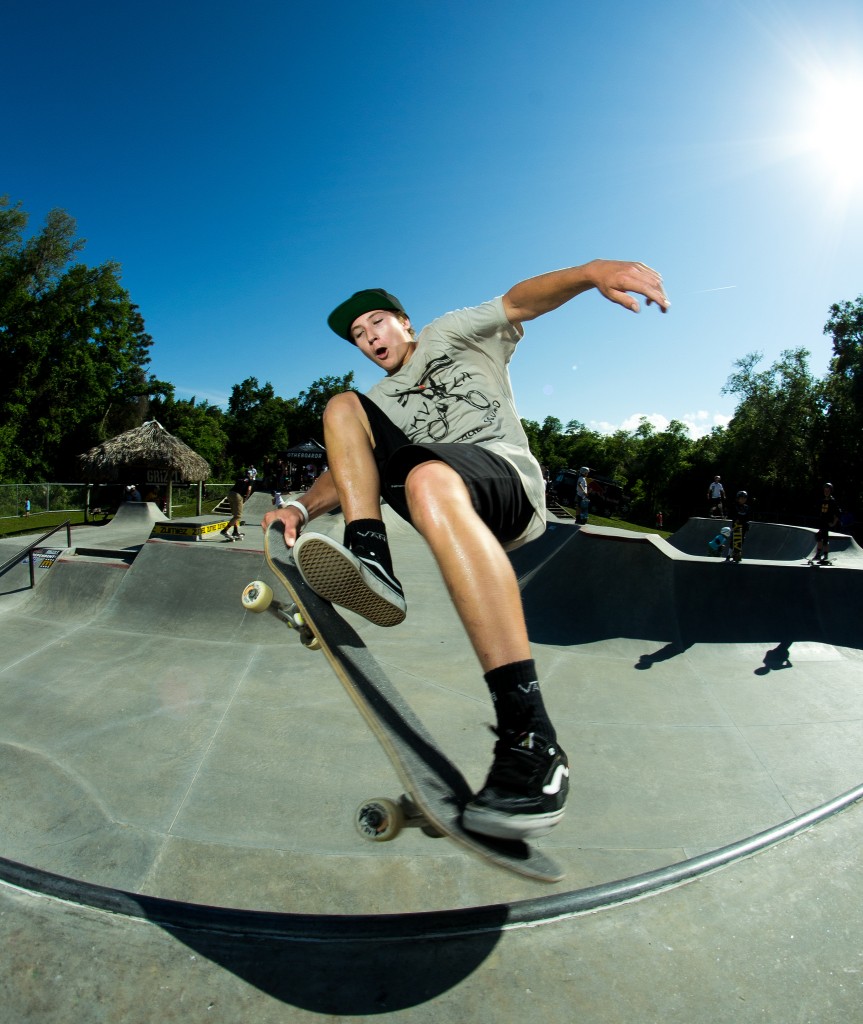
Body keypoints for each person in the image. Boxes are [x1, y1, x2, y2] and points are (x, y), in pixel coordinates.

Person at [262, 258, 670, 841]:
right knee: (341, 409)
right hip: (442, 502)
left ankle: (532, 738)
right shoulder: (379, 398)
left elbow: (521, 301)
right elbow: (348, 469)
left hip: (504, 482)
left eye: (377, 323)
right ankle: (371, 558)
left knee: (428, 475)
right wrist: (301, 507)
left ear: (404, 321)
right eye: (359, 335)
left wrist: (591, 273)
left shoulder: (451, 332)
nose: (370, 338)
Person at [812, 482, 840, 564]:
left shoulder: (832, 501)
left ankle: (825, 555)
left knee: (824, 538)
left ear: (830, 491)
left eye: (828, 491)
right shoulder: (822, 500)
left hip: (827, 523)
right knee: (819, 537)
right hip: (821, 522)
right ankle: (819, 554)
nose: (826, 492)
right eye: (825, 490)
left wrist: (833, 523)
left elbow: (838, 513)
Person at [223, 473, 251, 541]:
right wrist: (246, 498)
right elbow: (249, 489)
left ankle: (235, 531)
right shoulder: (250, 480)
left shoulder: (239, 478)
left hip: (230, 494)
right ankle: (225, 530)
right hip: (238, 496)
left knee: (235, 515)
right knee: (238, 516)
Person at [726, 490, 751, 562]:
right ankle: (729, 554)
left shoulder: (746, 507)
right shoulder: (734, 506)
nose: (743, 499)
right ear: (738, 498)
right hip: (736, 525)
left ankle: (737, 553)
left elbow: (748, 517)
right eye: (742, 498)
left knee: (741, 539)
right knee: (734, 539)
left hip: (743, 526)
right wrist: (735, 519)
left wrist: (747, 523)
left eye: (745, 498)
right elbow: (730, 514)